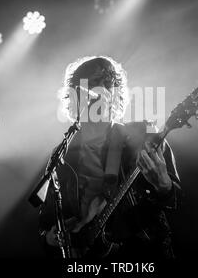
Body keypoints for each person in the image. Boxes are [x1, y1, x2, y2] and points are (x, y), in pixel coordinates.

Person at [29, 56, 182, 258]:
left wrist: (164, 186)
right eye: (92, 84)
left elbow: (176, 200)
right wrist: (49, 238)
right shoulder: (62, 155)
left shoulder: (144, 136)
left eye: (108, 84)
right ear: (76, 95)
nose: (102, 91)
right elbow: (46, 221)